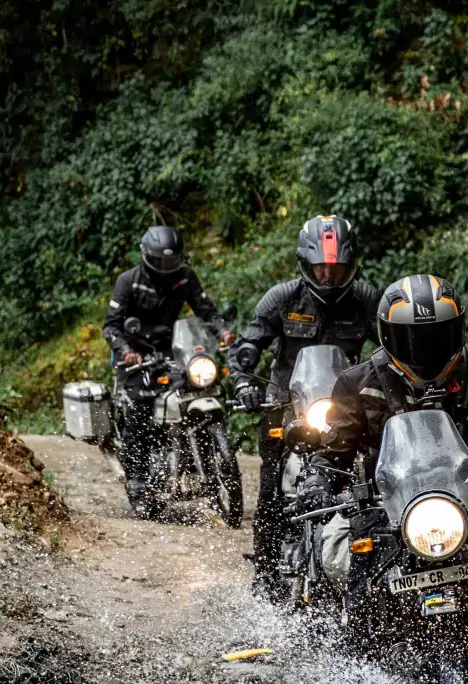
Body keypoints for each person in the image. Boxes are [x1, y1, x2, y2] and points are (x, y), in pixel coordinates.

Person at [230, 213, 380, 583]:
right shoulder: (282, 298)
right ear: (305, 265)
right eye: (321, 269)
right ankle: (265, 574)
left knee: (374, 471)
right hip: (285, 404)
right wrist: (244, 382)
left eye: (337, 268)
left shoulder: (365, 300)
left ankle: (379, 556)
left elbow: (392, 350)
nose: (328, 276)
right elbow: (246, 346)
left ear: (353, 266)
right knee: (271, 486)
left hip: (345, 406)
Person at [321, 272, 468, 476]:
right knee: (336, 530)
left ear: (458, 328)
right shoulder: (356, 383)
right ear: (386, 336)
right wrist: (318, 481)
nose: (425, 348)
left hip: (466, 485)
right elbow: (332, 453)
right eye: (413, 339)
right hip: (380, 497)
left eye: (437, 336)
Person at [103, 224, 233, 508]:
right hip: (136, 353)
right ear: (148, 256)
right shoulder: (128, 281)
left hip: (171, 348)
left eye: (172, 260)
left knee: (196, 389)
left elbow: (205, 310)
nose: (167, 266)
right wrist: (125, 351)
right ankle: (137, 476)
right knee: (140, 404)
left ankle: (195, 459)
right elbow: (111, 326)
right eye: (162, 261)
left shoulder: (184, 277)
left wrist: (222, 332)